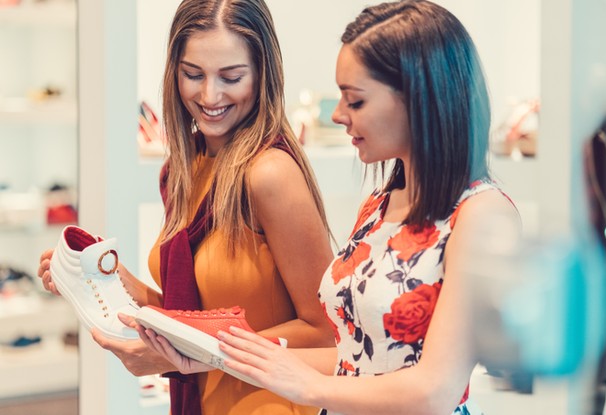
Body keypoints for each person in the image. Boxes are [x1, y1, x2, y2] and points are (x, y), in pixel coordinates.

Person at [141, 1, 522, 414]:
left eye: (355, 101)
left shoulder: (482, 215)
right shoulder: (379, 206)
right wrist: (211, 357)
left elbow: (436, 389)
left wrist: (309, 388)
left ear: (419, 100)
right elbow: (350, 356)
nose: (338, 115)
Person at [37, 0, 335, 414]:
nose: (209, 95)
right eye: (193, 74)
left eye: (231, 77)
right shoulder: (185, 169)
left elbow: (327, 331)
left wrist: (192, 353)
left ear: (263, 75)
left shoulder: (269, 174)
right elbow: (195, 314)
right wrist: (113, 280)